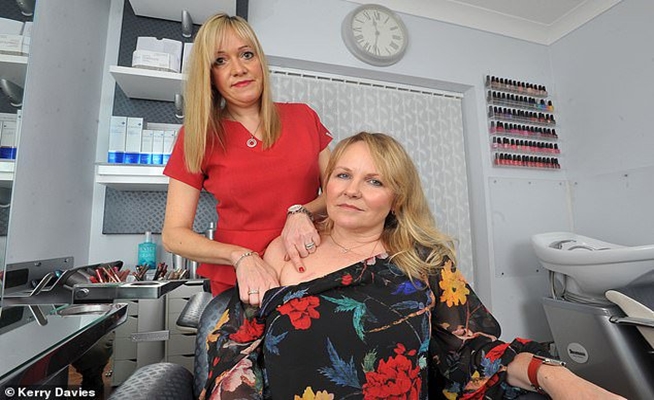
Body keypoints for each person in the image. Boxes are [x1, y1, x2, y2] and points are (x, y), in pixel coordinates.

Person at [198, 132, 624, 399]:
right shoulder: (286, 251)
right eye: (343, 175)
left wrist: (553, 376)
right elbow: (237, 352)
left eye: (374, 181)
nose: (352, 190)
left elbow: (468, 351)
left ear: (397, 199)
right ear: (326, 185)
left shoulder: (425, 262)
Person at [162, 13, 332, 302]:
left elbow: (339, 193)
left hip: (309, 266)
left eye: (246, 54)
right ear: (209, 75)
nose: (238, 69)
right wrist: (239, 256)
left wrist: (302, 212)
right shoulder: (197, 135)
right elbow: (174, 235)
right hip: (239, 281)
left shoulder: (304, 117)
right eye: (220, 61)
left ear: (259, 61)